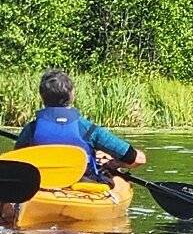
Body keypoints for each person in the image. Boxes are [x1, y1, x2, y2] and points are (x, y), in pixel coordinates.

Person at [13, 69, 145, 179]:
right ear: (72, 95)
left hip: (42, 184)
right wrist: (113, 163)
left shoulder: (31, 129)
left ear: (42, 97)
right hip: (81, 182)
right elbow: (137, 159)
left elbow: (16, 162)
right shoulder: (88, 129)